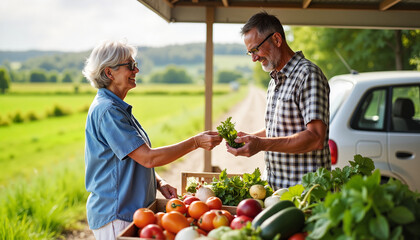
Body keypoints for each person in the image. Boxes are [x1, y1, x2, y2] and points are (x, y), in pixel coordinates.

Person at [82, 40, 222, 239]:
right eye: (130, 66)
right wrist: (195, 142)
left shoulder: (117, 107)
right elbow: (148, 158)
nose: (136, 70)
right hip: (117, 214)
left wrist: (159, 181)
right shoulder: (108, 111)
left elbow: (133, 157)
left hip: (130, 212)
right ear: (109, 73)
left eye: (135, 64)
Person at [227, 12, 331, 190]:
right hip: (279, 190)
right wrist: (249, 138)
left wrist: (261, 145)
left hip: (305, 194)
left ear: (276, 39)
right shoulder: (274, 80)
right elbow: (280, 129)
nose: (254, 58)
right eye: (249, 52)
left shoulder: (308, 74)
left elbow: (315, 138)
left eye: (255, 49)